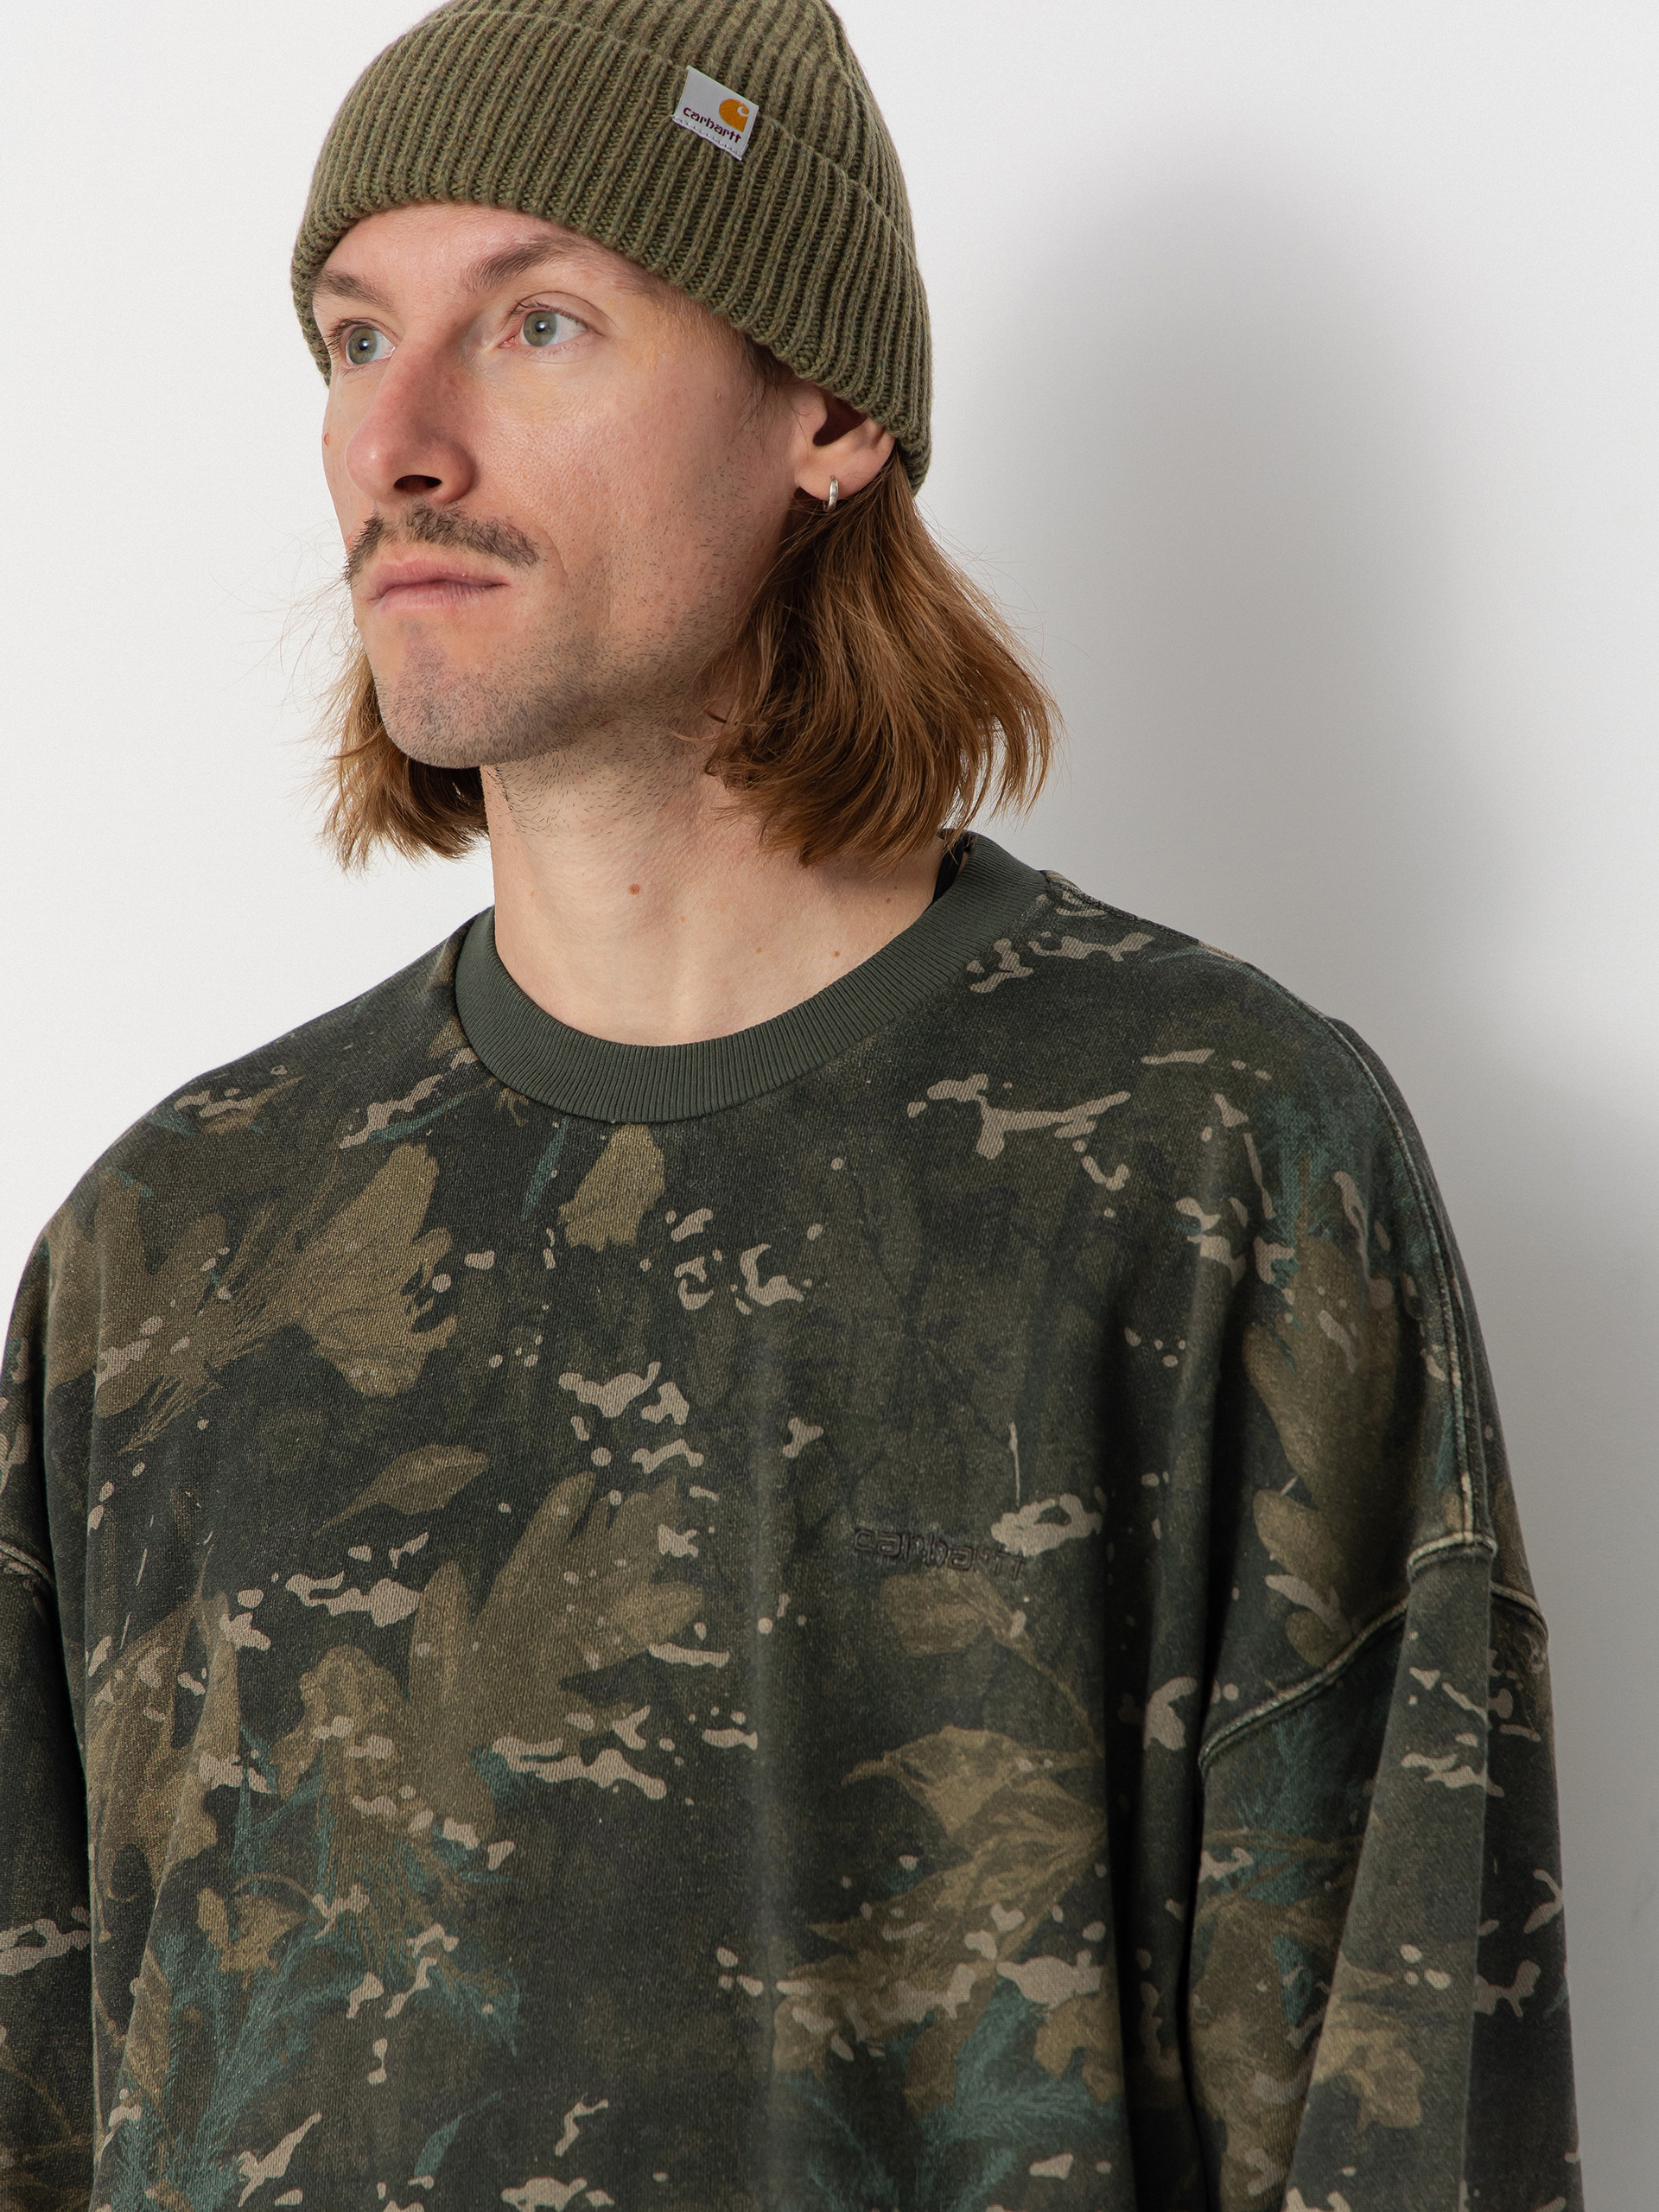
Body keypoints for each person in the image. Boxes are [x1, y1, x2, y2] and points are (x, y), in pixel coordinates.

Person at [0, 1, 1580, 2205]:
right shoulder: (165, 1256)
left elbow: (1401, 2101)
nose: (398, 443)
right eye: (356, 338)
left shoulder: (1216, 1162)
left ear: (827, 407)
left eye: (537, 322)